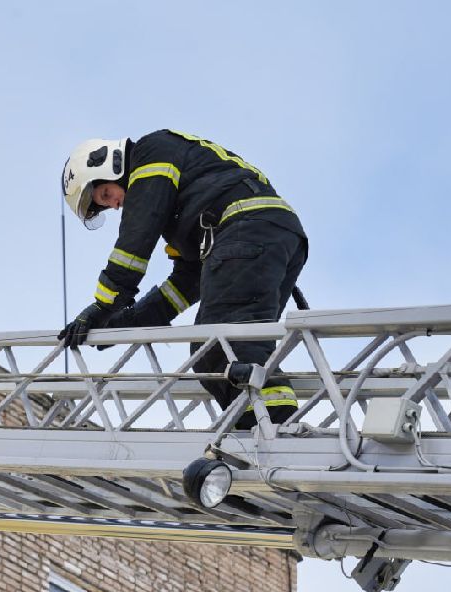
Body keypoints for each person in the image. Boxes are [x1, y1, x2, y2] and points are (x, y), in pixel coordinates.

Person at [59, 130, 308, 430]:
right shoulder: (182, 200)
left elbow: (136, 238)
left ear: (108, 165)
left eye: (106, 195)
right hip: (273, 236)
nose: (114, 205)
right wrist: (124, 323)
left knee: (219, 343)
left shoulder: (151, 156)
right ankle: (262, 420)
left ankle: (270, 423)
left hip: (246, 231)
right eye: (106, 204)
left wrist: (102, 306)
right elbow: (186, 282)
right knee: (227, 345)